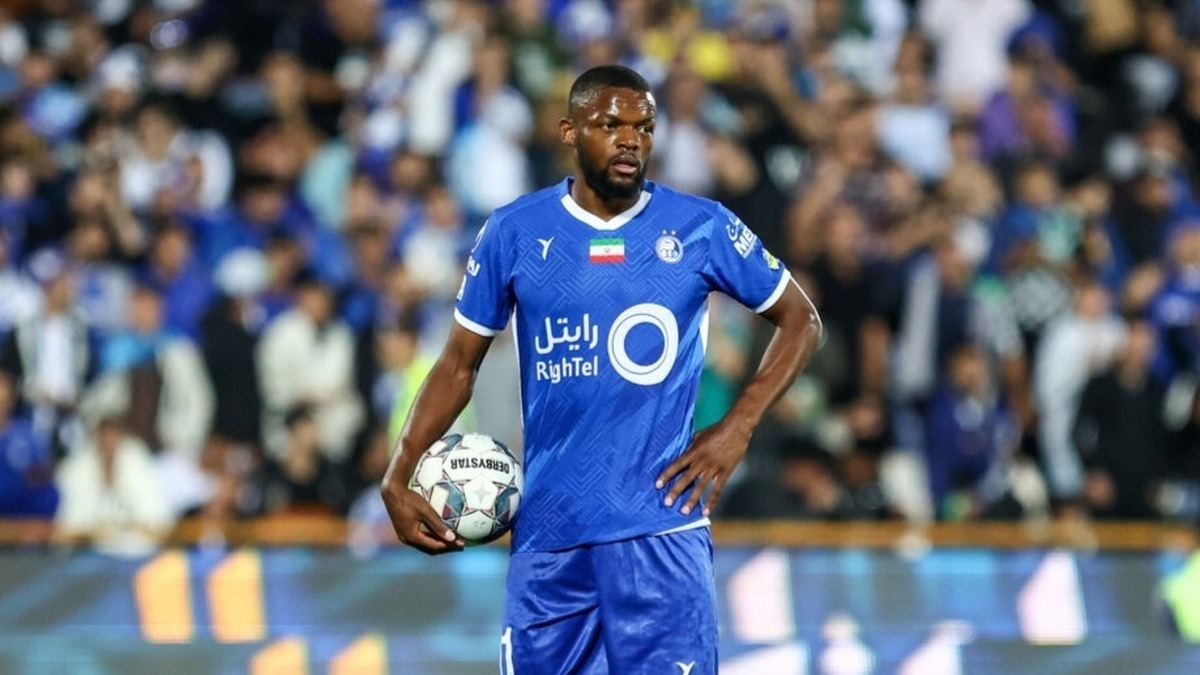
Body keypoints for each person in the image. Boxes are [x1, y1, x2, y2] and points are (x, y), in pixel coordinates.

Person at [380, 64, 823, 674]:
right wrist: (398, 473)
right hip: (548, 537)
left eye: (644, 127)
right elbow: (458, 366)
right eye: (612, 125)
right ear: (570, 131)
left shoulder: (701, 226)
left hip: (660, 531)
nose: (630, 140)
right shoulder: (513, 231)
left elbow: (802, 321)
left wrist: (738, 425)